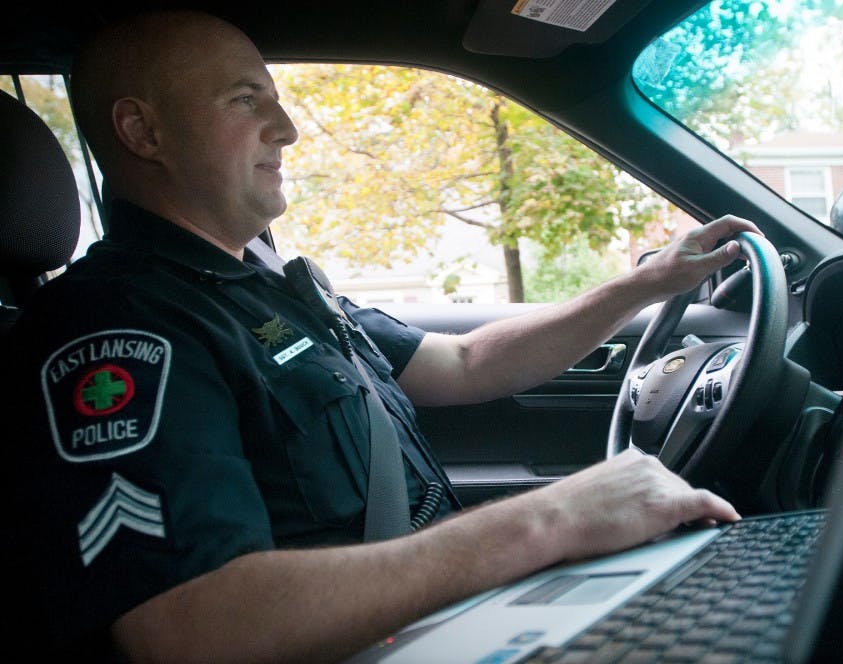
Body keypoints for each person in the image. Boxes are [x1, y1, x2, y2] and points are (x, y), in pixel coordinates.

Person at [3, 10, 762, 662]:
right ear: (143, 130)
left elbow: (461, 361)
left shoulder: (269, 288)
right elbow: (186, 628)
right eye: (246, 100)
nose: (289, 129)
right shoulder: (114, 330)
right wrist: (552, 519)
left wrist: (643, 284)